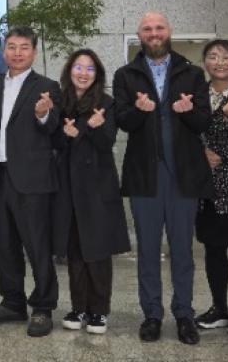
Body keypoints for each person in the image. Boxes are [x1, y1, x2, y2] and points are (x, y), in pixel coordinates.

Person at [113, 11, 212, 345]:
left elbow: (203, 122)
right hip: (145, 176)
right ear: (139, 35)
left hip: (183, 176)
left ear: (169, 31)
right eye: (147, 29)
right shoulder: (126, 75)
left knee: (182, 250)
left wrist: (189, 112)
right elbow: (123, 121)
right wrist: (138, 110)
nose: (154, 33)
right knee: (148, 250)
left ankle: (184, 314)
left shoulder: (192, 73)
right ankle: (152, 315)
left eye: (159, 28)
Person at [0, 26, 61, 337]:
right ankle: (12, 302)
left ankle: (43, 306)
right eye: (12, 47)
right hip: (0, 176)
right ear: (4, 52)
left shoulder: (47, 87)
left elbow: (54, 129)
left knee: (37, 245)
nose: (17, 53)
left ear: (34, 52)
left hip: (33, 178)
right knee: (5, 244)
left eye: (24, 47)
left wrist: (43, 114)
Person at [51, 49, 131, 334]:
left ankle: (99, 310)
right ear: (69, 71)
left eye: (89, 69)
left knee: (97, 250)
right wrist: (66, 135)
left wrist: (93, 129)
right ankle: (78, 308)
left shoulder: (106, 103)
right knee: (74, 250)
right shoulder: (60, 102)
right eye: (78, 67)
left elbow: (107, 142)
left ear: (97, 75)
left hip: (96, 186)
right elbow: (53, 140)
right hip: (67, 186)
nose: (83, 73)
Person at [194, 39, 228, 336]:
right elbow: (186, 135)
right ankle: (219, 308)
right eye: (213, 56)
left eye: (226, 57)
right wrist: (199, 154)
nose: (219, 62)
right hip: (208, 189)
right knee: (213, 250)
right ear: (205, 62)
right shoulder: (196, 95)